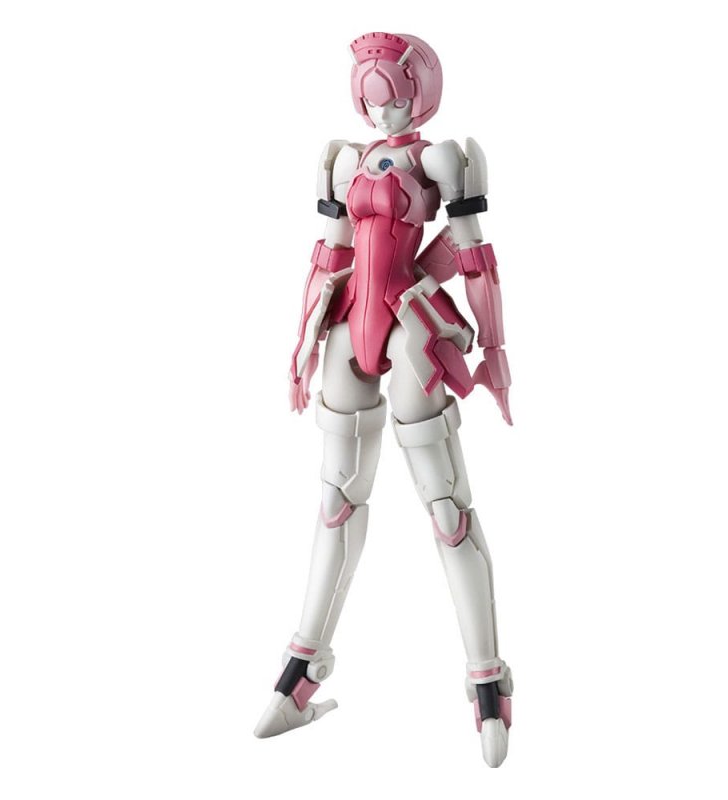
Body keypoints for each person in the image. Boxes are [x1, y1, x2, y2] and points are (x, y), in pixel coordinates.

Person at [254, 31, 514, 768]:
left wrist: (495, 354)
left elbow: (475, 256)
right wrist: (303, 341)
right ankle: (301, 675)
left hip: (409, 325)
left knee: (446, 510)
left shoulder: (441, 159)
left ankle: (488, 686)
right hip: (347, 326)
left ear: (418, 90)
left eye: (392, 93)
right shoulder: (344, 160)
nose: (380, 108)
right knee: (337, 501)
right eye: (369, 94)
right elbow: (329, 253)